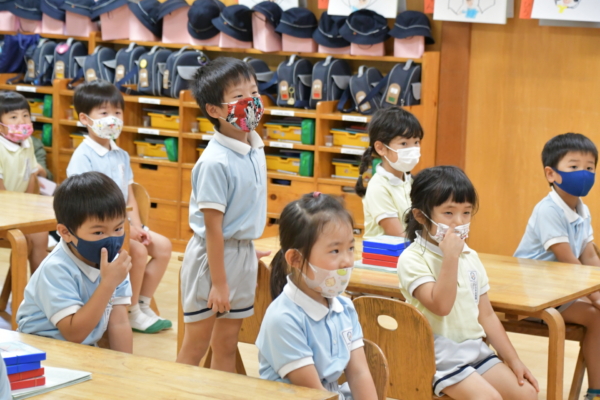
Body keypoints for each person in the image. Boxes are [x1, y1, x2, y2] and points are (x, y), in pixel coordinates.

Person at [398, 166, 539, 399]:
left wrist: (514, 360)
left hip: (474, 351)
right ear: (421, 216)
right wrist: (450, 257)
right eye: (448, 213)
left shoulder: (470, 256)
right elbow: (441, 306)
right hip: (437, 356)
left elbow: (487, 315)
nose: (459, 221)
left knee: (527, 394)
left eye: (466, 212)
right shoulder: (412, 258)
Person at [177, 57, 268, 370]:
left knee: (227, 345)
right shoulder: (214, 162)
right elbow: (214, 230)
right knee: (195, 348)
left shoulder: (255, 146)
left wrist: (245, 244)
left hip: (241, 255)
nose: (251, 101)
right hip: (212, 262)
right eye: (238, 96)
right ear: (214, 110)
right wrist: (219, 283)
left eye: (253, 92)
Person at [66, 81, 172, 334]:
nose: (112, 119)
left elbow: (129, 196)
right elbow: (89, 205)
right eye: (104, 113)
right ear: (85, 118)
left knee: (164, 246)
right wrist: (126, 229)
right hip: (98, 230)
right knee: (137, 251)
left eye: (117, 112)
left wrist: (138, 226)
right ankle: (131, 310)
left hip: (124, 226)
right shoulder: (83, 156)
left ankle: (142, 303)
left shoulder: (121, 154)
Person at [256, 192, 378, 400]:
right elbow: (315, 393)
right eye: (335, 251)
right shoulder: (283, 319)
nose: (347, 261)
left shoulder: (345, 308)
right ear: (295, 259)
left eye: (350, 248)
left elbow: (359, 374)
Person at [515, 133, 600, 400]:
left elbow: (589, 257)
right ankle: (596, 390)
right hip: (534, 293)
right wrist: (596, 297)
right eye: (574, 166)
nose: (584, 173)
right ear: (551, 173)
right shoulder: (548, 210)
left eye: (590, 168)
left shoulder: (582, 209)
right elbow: (570, 263)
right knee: (597, 317)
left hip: (561, 290)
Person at [16, 172, 133, 351]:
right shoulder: (56, 269)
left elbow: (119, 323)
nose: (111, 239)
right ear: (65, 232)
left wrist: (125, 366)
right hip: (40, 350)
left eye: (118, 228)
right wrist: (108, 283)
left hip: (81, 350)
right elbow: (73, 334)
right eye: (98, 232)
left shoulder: (115, 265)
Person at [355, 107, 423, 238]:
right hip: (390, 250)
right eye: (404, 143)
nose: (413, 149)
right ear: (381, 148)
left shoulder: (410, 181)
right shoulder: (378, 187)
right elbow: (399, 236)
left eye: (416, 142)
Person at [0, 91, 48, 273]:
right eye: (13, 117)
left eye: (25, 115)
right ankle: (18, 285)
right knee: (23, 239)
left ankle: (38, 284)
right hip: (4, 209)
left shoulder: (28, 143)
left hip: (18, 208)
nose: (21, 121)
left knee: (41, 233)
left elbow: (31, 176)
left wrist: (28, 212)